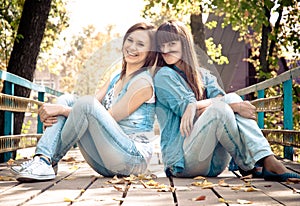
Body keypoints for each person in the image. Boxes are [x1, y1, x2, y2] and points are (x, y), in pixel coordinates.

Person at [153, 20, 300, 182]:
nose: (165, 50)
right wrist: (232, 106)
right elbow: (197, 110)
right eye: (161, 45)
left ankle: (265, 158)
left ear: (184, 44)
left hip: (215, 163)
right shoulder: (163, 76)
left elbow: (221, 99)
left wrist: (195, 105)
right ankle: (258, 163)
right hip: (183, 162)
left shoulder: (203, 75)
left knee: (232, 98)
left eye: (171, 43)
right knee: (223, 108)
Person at [11, 22, 158, 182]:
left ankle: (47, 159)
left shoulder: (143, 83)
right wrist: (63, 109)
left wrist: (61, 110)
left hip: (132, 160)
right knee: (67, 99)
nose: (132, 47)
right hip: (107, 161)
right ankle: (43, 160)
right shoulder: (117, 76)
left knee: (78, 105)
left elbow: (107, 116)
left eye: (141, 44)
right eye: (130, 40)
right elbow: (90, 105)